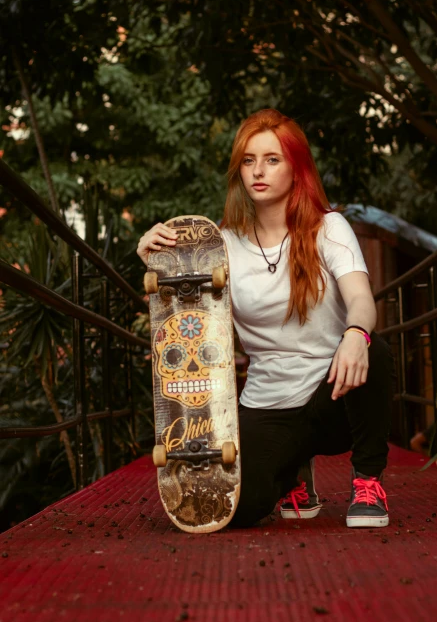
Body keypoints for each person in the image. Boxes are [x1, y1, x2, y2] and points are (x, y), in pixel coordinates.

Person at [137, 108, 394, 528]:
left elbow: (363, 300)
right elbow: (185, 316)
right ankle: (290, 471)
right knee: (238, 509)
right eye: (248, 160)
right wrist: (155, 257)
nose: (259, 171)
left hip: (332, 394)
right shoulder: (219, 245)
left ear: (297, 168)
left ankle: (367, 480)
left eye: (273, 159)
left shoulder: (328, 228)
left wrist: (354, 332)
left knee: (373, 347)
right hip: (267, 402)